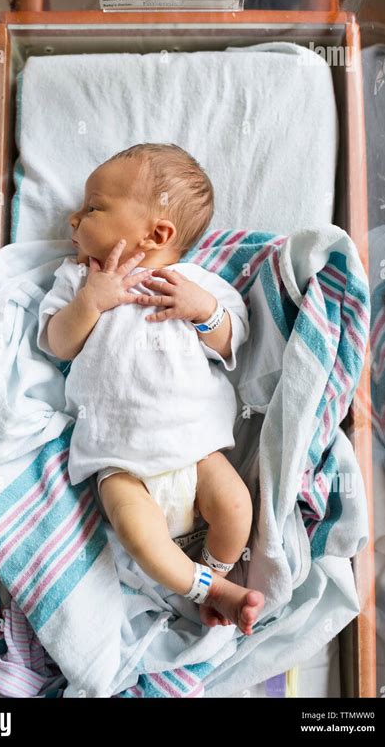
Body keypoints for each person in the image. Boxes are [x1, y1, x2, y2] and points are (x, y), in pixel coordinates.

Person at [37, 143, 265, 634]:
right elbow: (58, 342)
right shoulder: (78, 280)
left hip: (195, 449)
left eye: (93, 207)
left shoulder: (191, 282)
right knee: (140, 537)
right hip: (119, 462)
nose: (73, 220)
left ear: (157, 233)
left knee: (236, 506)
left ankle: (217, 564)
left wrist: (205, 311)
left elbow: (235, 340)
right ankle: (209, 590)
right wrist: (89, 305)